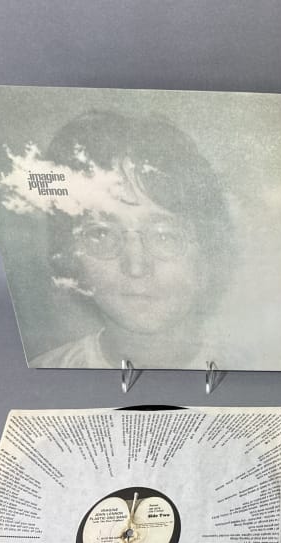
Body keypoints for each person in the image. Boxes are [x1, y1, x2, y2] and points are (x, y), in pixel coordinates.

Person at [29, 110, 234, 368]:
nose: (136, 267)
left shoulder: (256, 367)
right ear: (71, 254)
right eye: (101, 233)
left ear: (206, 255)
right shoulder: (44, 371)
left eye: (164, 236)